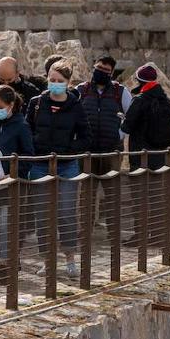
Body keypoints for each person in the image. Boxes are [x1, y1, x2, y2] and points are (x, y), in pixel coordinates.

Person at [24, 61, 90, 279]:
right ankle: (47, 260)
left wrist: (68, 150)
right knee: (42, 215)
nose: (55, 84)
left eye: (60, 82)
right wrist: (35, 148)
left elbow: (85, 136)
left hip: (67, 165)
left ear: (68, 83)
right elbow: (27, 130)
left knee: (66, 213)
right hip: (40, 164)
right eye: (52, 80)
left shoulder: (76, 106)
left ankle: (70, 258)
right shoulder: (35, 103)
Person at [122, 64, 170, 247]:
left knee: (139, 198)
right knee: (156, 197)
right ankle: (158, 236)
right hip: (159, 157)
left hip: (140, 157)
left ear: (139, 81)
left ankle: (140, 236)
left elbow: (126, 127)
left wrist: (122, 119)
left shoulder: (140, 100)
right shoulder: (166, 101)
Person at [0, 85, 34, 285]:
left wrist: (13, 173)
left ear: (11, 105)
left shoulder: (21, 126)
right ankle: (11, 260)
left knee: (6, 225)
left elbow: (29, 154)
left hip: (12, 184)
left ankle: (3, 266)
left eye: (0, 106)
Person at [74, 55, 133, 226]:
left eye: (106, 70)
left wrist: (119, 135)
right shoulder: (82, 90)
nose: (101, 72)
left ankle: (112, 234)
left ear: (112, 73)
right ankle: (85, 233)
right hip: (87, 152)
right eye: (98, 68)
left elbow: (131, 118)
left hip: (111, 152)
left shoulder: (120, 92)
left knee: (112, 195)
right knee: (86, 196)